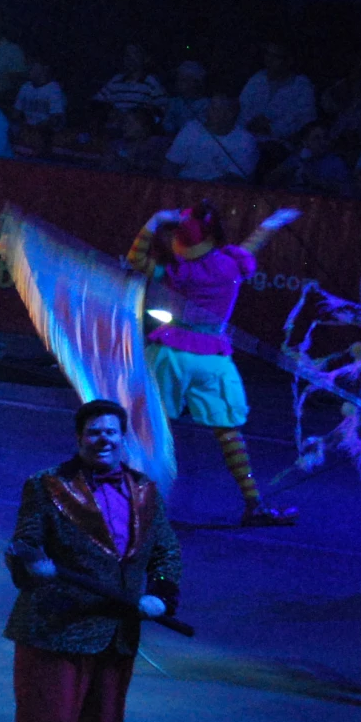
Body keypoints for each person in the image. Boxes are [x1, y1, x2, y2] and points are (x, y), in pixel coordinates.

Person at [3, 400, 181, 722]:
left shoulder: (145, 491)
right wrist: (32, 566)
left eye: (111, 433)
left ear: (124, 439)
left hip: (116, 633)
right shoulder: (48, 485)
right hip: (56, 630)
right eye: (93, 433)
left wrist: (161, 595)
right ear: (80, 438)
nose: (103, 439)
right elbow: (25, 543)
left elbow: (165, 552)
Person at [125, 202, 300, 525]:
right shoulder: (231, 264)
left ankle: (132, 501)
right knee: (228, 432)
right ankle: (254, 504)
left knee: (149, 425)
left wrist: (154, 221)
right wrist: (271, 224)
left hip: (173, 353)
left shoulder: (180, 271)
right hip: (213, 358)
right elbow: (249, 246)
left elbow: (136, 260)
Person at [164, 93, 258, 182]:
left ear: (229, 115)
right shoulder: (191, 128)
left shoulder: (246, 141)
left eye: (214, 109)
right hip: (184, 186)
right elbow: (171, 164)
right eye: (210, 107)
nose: (207, 111)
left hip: (221, 192)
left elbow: (236, 178)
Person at [237, 41, 317, 144]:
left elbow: (306, 122)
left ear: (289, 60)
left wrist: (271, 128)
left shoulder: (302, 86)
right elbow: (242, 107)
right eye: (267, 54)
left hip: (279, 146)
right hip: (246, 141)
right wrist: (251, 123)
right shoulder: (257, 78)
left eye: (275, 56)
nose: (268, 60)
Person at [92, 42, 166, 120]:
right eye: (127, 54)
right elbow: (97, 103)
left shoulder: (151, 82)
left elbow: (162, 109)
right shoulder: (115, 80)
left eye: (134, 53)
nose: (130, 58)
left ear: (144, 58)